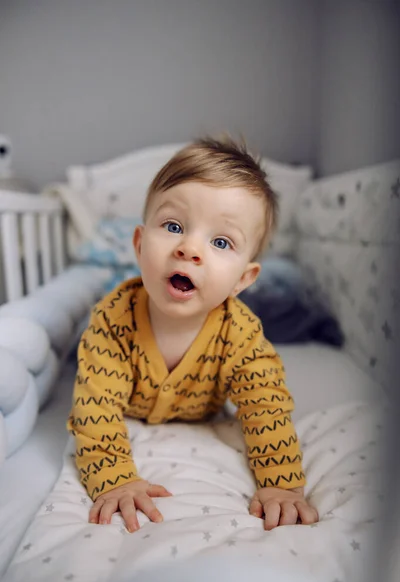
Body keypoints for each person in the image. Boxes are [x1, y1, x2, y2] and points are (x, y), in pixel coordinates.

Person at [67, 136, 319, 534]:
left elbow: (265, 406)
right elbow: (94, 409)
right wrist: (114, 476)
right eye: (173, 226)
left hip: (205, 414)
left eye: (221, 241)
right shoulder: (112, 321)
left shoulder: (241, 334)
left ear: (243, 279)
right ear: (139, 243)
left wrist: (281, 483)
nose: (189, 248)